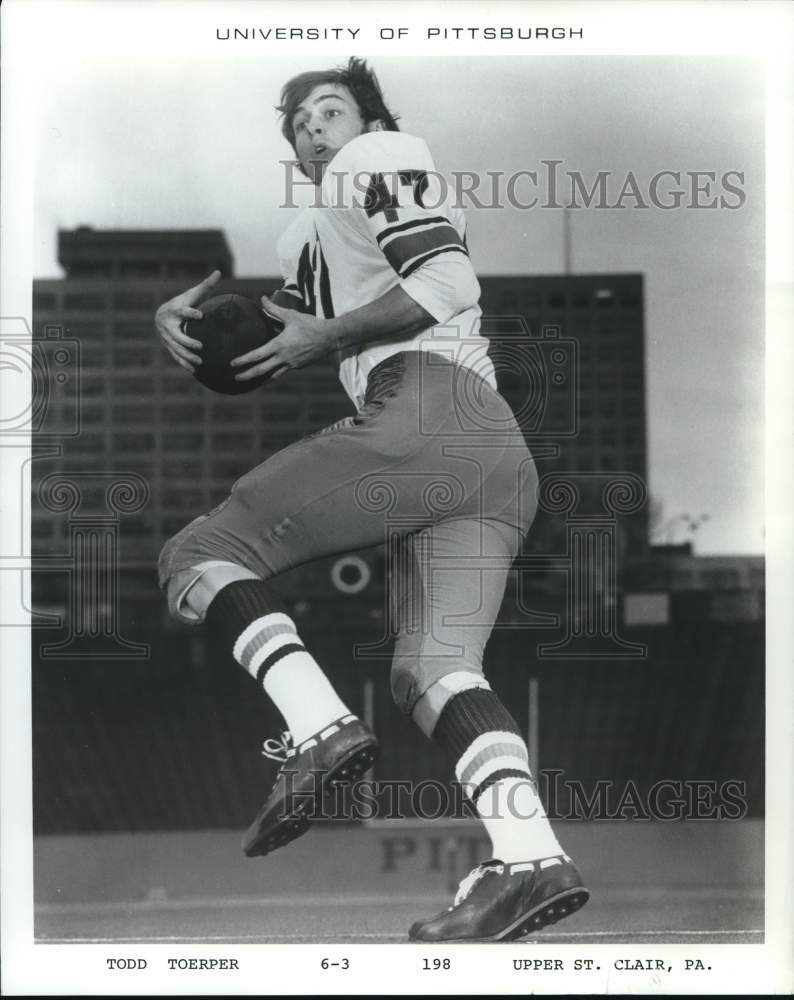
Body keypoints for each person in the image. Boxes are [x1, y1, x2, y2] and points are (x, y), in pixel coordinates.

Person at [154, 57, 588, 942]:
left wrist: (330, 335)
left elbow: (446, 285)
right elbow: (281, 339)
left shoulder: (378, 156)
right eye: (299, 122)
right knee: (433, 674)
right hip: (490, 457)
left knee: (200, 553)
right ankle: (531, 857)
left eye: (331, 108)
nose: (314, 128)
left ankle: (316, 728)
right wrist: (192, 331)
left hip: (432, 410)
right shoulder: (320, 226)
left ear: (370, 119)